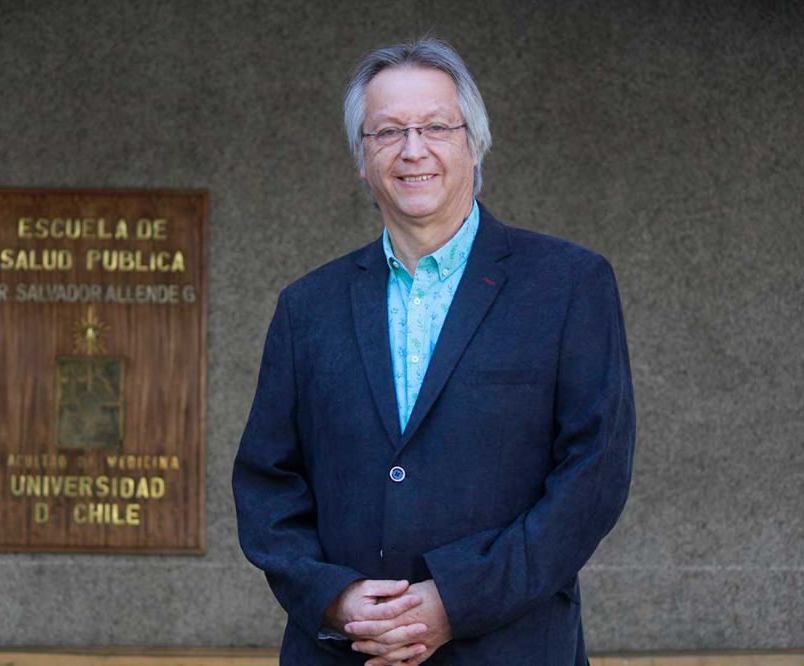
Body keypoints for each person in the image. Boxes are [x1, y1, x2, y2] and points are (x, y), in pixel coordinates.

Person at [233, 36, 635, 665]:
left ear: (474, 145)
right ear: (361, 161)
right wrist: (336, 599)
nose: (412, 149)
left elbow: (593, 478)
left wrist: (457, 599)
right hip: (346, 652)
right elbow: (267, 485)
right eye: (387, 132)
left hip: (512, 647)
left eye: (436, 127)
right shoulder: (305, 308)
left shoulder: (568, 285)